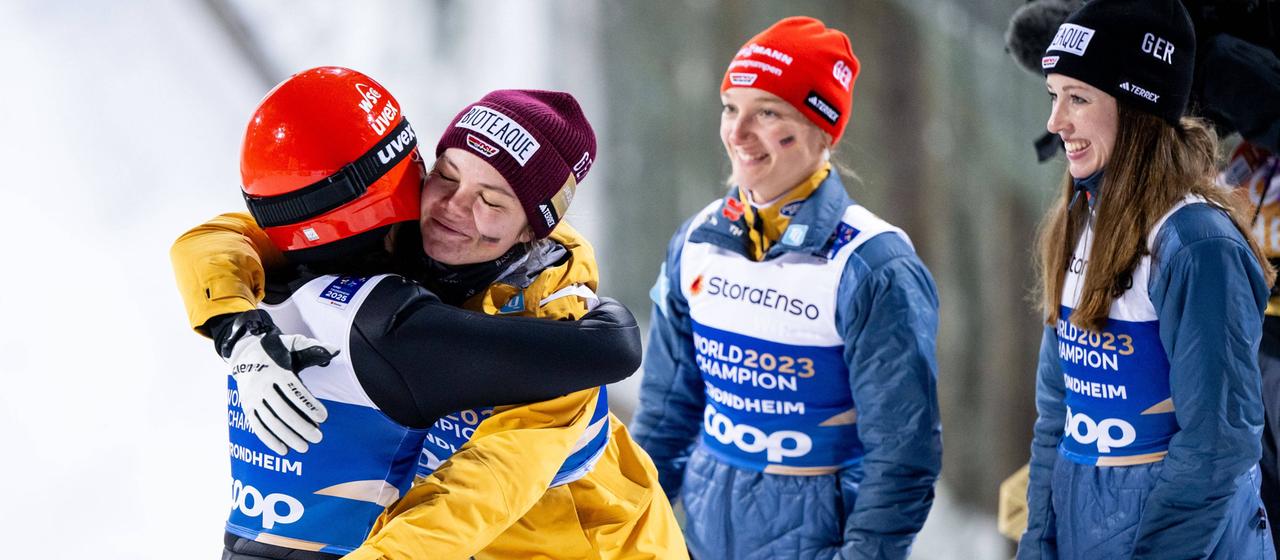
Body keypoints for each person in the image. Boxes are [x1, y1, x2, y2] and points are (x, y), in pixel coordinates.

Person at [174, 81, 687, 557]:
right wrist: (237, 330)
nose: (453, 208)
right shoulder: (402, 229)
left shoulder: (553, 328)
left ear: (532, 230)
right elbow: (219, 239)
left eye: (490, 200)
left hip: (587, 542)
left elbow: (483, 488)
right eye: (447, 175)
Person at [631, 16, 942, 560]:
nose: (737, 132)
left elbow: (902, 456)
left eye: (767, 112)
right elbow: (664, 415)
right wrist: (626, 533)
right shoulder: (698, 240)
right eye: (730, 108)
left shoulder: (872, 264)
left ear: (822, 130)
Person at [1017, 1, 1277, 558]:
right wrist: (1037, 542)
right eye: (1054, 95)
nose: (1055, 121)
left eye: (1078, 98)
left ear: (1135, 108)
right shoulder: (1077, 221)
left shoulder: (1197, 244)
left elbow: (1216, 449)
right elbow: (1056, 417)